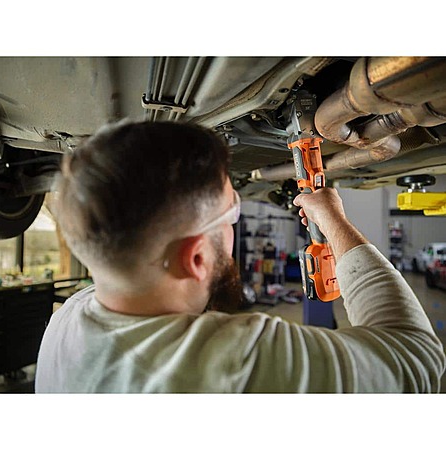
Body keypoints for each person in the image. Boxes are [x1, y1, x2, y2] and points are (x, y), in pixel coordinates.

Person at [35, 120, 445, 393]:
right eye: (233, 212)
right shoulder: (229, 364)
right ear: (196, 258)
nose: (235, 220)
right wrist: (335, 221)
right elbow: (416, 359)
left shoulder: (63, 325)